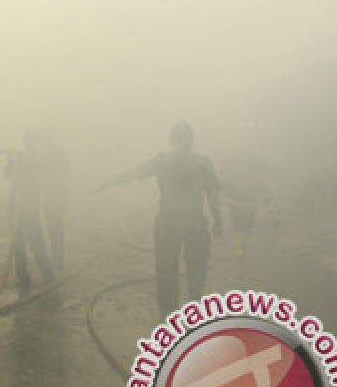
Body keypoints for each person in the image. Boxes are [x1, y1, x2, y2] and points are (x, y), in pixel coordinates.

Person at [93, 122, 223, 317]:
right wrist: (218, 221)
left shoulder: (162, 161)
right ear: (191, 140)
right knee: (196, 270)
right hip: (194, 222)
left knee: (165, 270)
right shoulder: (203, 163)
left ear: (171, 140)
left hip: (168, 222)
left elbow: (132, 173)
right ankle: (194, 312)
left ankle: (169, 316)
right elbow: (213, 194)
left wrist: (104, 185)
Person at [5, 130, 56, 289]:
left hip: (29, 205)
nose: (29, 144)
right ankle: (23, 278)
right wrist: (11, 161)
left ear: (36, 143)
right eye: (27, 141)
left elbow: (45, 176)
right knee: (18, 241)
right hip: (15, 204)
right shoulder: (20, 156)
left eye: (32, 141)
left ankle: (48, 277)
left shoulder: (40, 158)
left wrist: (18, 160)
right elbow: (7, 174)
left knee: (35, 241)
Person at [220, 148, 269, 259]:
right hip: (237, 199)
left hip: (248, 199)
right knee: (239, 225)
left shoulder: (254, 162)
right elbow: (224, 180)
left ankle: (241, 246)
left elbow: (262, 179)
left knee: (246, 225)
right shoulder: (232, 161)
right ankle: (239, 248)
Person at [39, 131, 70, 271]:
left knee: (55, 227)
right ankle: (57, 259)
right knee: (54, 227)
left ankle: (58, 260)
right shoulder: (54, 154)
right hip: (53, 195)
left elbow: (58, 173)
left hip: (56, 195)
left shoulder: (54, 155)